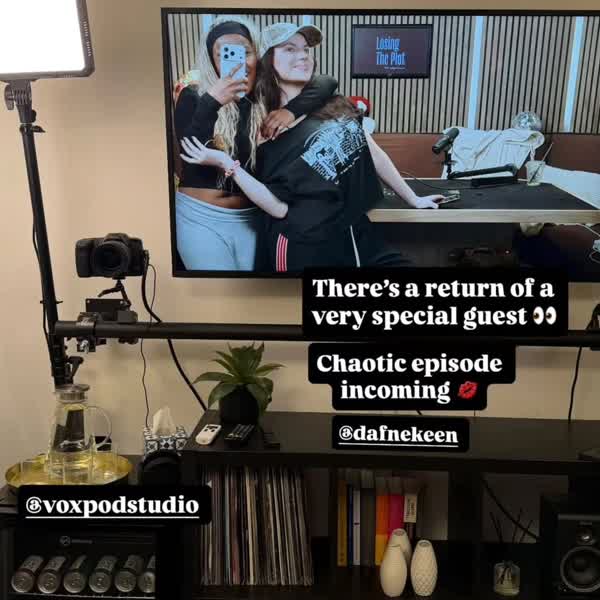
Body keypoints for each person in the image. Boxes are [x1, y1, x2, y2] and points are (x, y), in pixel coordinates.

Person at [180, 23, 444, 271]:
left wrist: (413, 198)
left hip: (356, 231)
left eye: (306, 50)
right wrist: (227, 161)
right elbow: (276, 204)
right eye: (289, 49)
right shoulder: (262, 122)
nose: (303, 56)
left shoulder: (333, 103)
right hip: (303, 241)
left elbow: (372, 152)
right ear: (268, 61)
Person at [174, 16, 338, 271]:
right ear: (212, 61)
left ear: (257, 56)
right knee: (220, 291)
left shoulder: (264, 99)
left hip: (251, 217)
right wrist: (213, 102)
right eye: (225, 54)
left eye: (245, 52)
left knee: (253, 290)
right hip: (201, 217)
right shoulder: (195, 96)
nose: (237, 61)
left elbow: (326, 83)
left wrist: (290, 111)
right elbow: (191, 154)